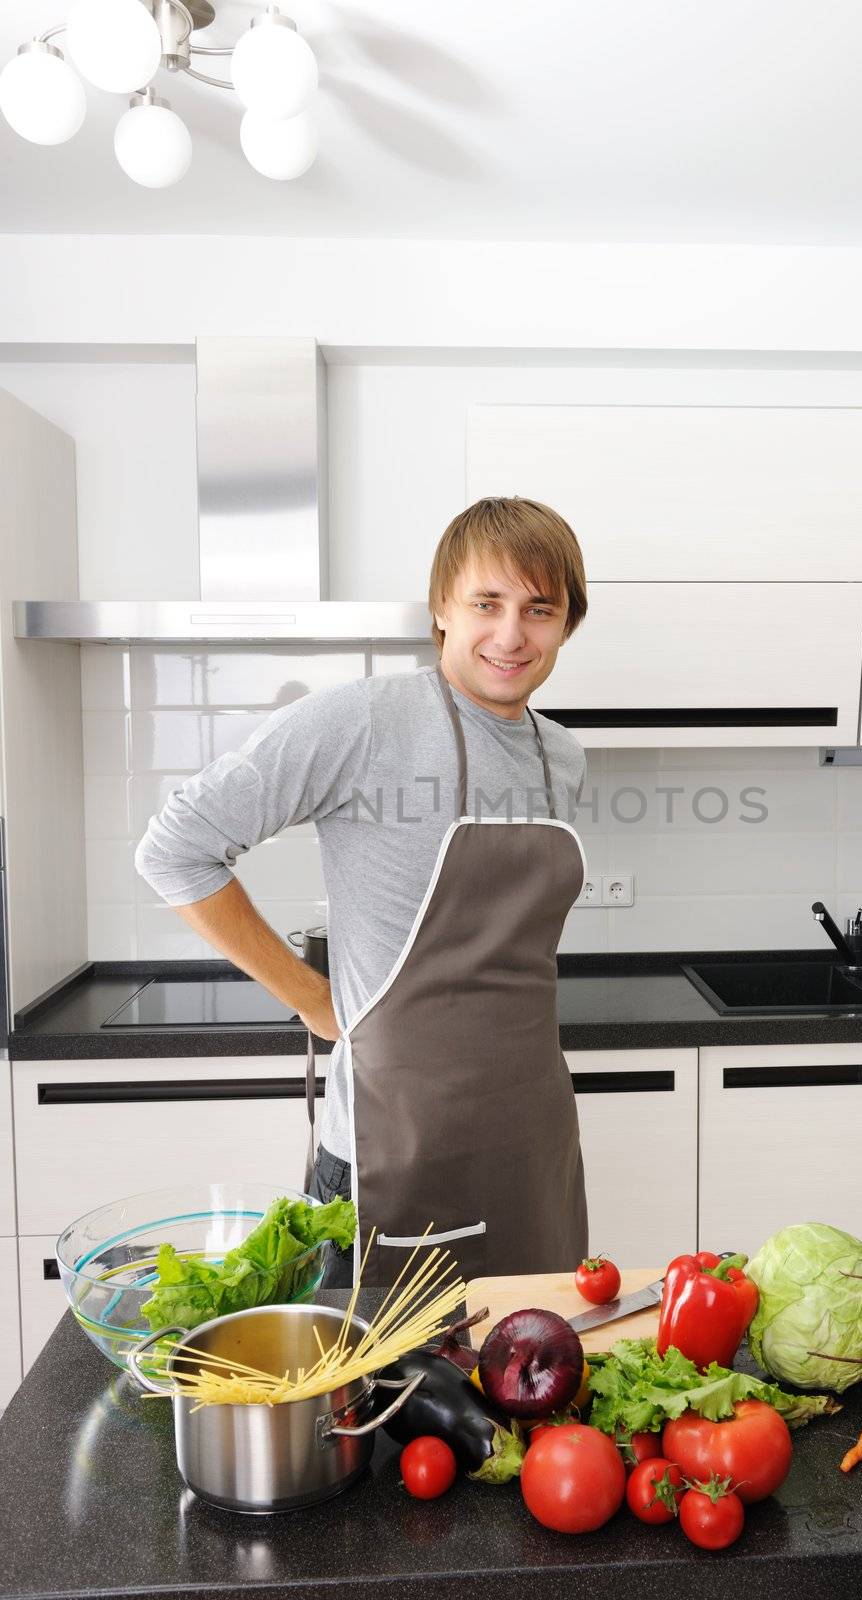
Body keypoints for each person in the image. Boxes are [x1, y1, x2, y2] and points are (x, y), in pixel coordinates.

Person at [135, 497, 591, 1287]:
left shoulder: (561, 756)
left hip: (531, 1138)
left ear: (565, 625)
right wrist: (311, 998)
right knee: (382, 1394)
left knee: (528, 1377)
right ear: (441, 610)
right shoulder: (364, 722)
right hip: (392, 1145)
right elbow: (176, 850)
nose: (511, 634)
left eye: (538, 609)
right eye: (486, 603)